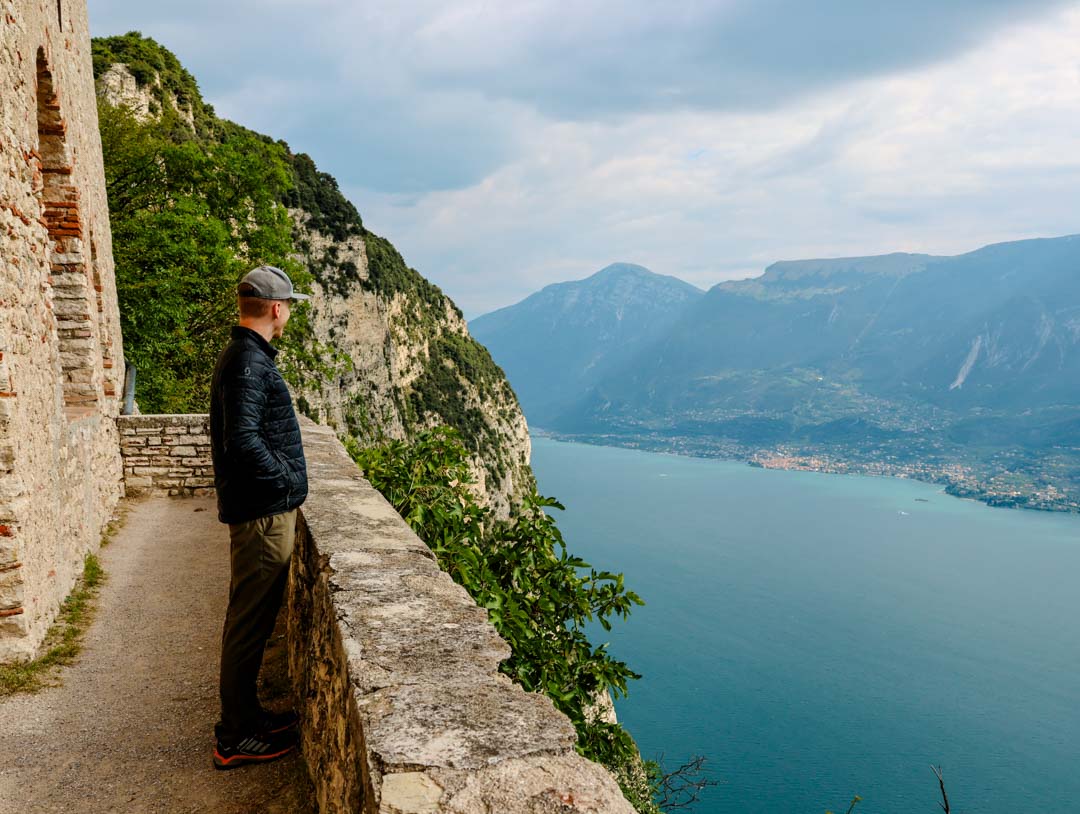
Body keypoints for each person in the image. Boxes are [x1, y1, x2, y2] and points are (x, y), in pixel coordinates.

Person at [208, 265, 310, 770]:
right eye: (288, 304)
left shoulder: (244, 357)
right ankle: (236, 736)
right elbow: (243, 441)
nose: (288, 312)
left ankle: (249, 717)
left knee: (252, 616)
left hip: (260, 510)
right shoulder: (249, 362)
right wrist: (288, 482)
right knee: (249, 623)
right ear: (275, 309)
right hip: (263, 515)